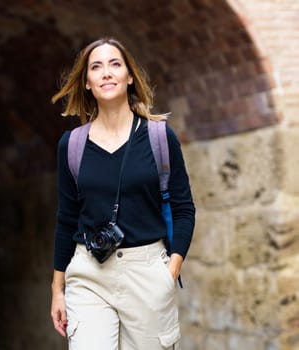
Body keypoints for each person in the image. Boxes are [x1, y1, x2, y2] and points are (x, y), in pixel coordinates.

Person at [49, 37, 196, 349]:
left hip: (147, 273)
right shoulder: (72, 146)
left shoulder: (159, 137)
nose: (106, 72)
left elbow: (184, 208)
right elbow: (67, 219)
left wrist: (170, 271)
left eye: (115, 64)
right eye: (96, 67)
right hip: (89, 272)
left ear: (130, 76)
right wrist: (57, 288)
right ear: (87, 82)